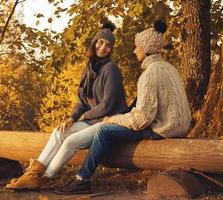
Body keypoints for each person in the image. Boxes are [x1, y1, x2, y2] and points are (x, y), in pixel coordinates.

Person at [56, 20, 192, 195]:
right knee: (114, 124)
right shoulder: (169, 68)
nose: (135, 51)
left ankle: (82, 179)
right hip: (181, 127)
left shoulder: (149, 75)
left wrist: (111, 119)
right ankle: (82, 178)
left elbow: (142, 119)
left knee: (104, 130)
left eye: (137, 47)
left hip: (162, 130)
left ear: (146, 48)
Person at [5, 22, 128, 190]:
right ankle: (31, 175)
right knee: (59, 132)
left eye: (108, 45)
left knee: (70, 141)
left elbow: (108, 105)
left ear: (111, 49)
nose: (103, 47)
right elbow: (82, 101)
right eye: (100, 42)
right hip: (92, 120)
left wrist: (83, 117)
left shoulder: (111, 69)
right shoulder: (89, 69)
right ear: (94, 42)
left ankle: (44, 178)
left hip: (108, 122)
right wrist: (71, 118)